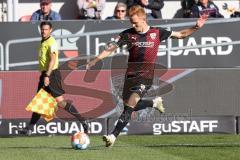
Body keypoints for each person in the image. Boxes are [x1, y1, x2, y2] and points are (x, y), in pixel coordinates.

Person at [86, 5, 208, 147]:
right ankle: (153, 103)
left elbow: (181, 35)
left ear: (144, 19)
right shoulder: (127, 34)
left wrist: (196, 27)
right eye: (131, 22)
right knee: (129, 105)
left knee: (129, 107)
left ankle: (113, 136)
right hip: (130, 76)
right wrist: (96, 60)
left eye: (135, 22)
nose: (133, 25)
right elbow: (110, 48)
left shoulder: (157, 32)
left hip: (146, 77)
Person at [18, 21, 88, 136]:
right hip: (45, 74)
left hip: (51, 75)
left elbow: (53, 60)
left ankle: (83, 121)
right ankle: (29, 128)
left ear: (50, 30)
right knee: (39, 101)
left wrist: (47, 76)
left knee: (60, 102)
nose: (43, 31)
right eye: (42, 29)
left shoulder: (51, 42)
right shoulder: (43, 42)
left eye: (46, 29)